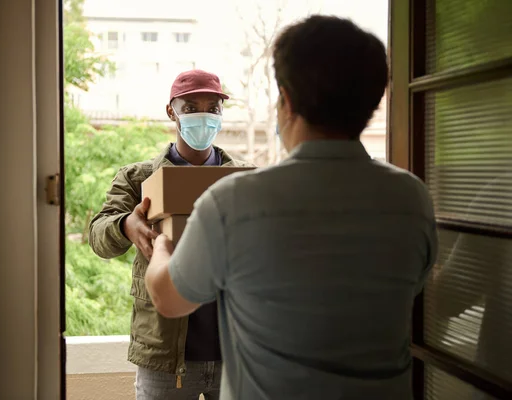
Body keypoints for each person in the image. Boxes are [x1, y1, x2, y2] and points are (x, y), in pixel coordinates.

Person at [145, 15, 437, 400]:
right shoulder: (411, 197)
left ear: (286, 99)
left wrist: (162, 246)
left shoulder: (233, 200)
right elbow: (421, 295)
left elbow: (169, 298)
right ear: (373, 102)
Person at [89, 69, 252, 400]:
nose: (202, 116)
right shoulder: (139, 178)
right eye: (190, 107)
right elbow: (98, 235)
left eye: (212, 108)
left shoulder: (244, 180)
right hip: (165, 355)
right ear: (171, 111)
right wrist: (126, 225)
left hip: (235, 352)